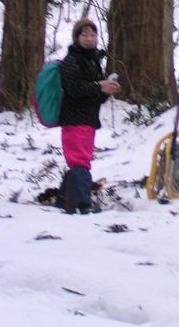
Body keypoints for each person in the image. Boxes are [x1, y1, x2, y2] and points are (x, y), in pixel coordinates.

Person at [57, 18, 121, 214]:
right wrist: (98, 86)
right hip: (74, 118)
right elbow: (73, 89)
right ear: (76, 38)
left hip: (88, 119)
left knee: (80, 158)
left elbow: (93, 94)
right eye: (84, 34)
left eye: (93, 34)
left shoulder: (93, 61)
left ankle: (64, 199)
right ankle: (82, 203)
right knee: (79, 160)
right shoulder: (71, 60)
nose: (90, 39)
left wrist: (105, 91)